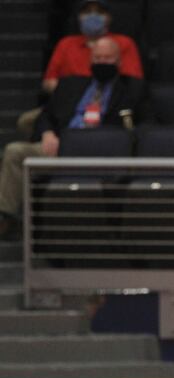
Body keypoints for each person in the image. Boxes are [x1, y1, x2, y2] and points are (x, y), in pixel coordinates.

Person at [0, 36, 144, 240]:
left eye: (108, 58)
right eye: (98, 58)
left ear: (119, 61)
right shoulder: (70, 85)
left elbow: (141, 126)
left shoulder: (132, 90)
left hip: (102, 154)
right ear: (90, 60)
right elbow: (45, 115)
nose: (102, 62)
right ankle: (7, 218)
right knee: (15, 151)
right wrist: (47, 133)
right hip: (59, 149)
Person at [17, 0, 143, 138]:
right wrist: (74, 90)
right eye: (87, 12)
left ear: (109, 17)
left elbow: (131, 81)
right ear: (78, 16)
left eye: (99, 12)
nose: (93, 16)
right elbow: (48, 82)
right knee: (28, 121)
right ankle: (46, 148)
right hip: (68, 102)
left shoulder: (124, 43)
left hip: (110, 101)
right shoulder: (66, 44)